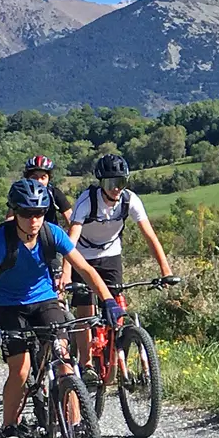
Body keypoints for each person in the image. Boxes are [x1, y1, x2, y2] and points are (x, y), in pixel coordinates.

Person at [0, 178, 122, 438]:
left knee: (64, 361)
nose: (34, 220)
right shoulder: (2, 239)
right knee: (20, 369)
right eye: (27, 213)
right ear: (15, 212)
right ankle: (10, 426)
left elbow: (86, 270)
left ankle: (76, 426)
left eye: (40, 213)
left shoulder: (52, 232)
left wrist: (108, 301)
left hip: (44, 300)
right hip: (8, 305)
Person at [63, 154, 173, 376]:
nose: (116, 189)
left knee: (117, 306)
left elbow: (150, 236)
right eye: (111, 183)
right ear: (101, 183)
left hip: (111, 254)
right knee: (85, 309)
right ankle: (86, 365)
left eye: (121, 183)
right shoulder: (87, 201)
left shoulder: (130, 200)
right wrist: (66, 274)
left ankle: (116, 353)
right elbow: (70, 241)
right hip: (82, 256)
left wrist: (165, 270)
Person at [19, 155, 72, 226]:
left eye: (43, 177)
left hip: (49, 234)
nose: (39, 181)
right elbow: (10, 218)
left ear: (49, 179)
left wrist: (71, 237)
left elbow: (70, 219)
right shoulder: (20, 193)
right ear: (27, 178)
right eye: (34, 177)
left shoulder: (54, 193)